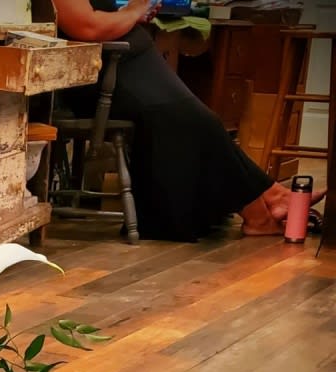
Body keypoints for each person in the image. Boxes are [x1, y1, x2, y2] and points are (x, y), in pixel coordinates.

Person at [52, 0, 326, 241]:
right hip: (104, 74)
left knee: (206, 121)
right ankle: (261, 212)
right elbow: (87, 27)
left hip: (129, 65)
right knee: (196, 123)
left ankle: (273, 198)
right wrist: (134, 11)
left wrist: (129, 12)